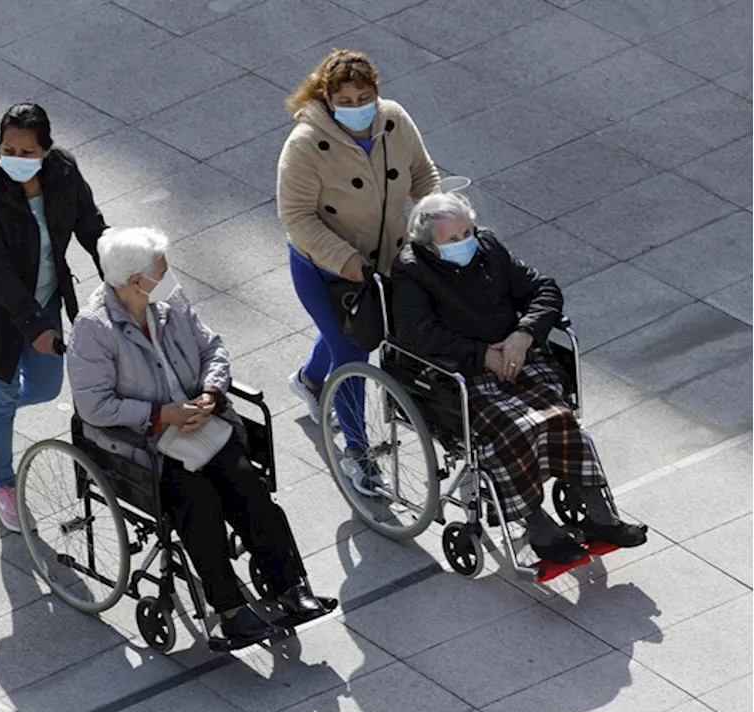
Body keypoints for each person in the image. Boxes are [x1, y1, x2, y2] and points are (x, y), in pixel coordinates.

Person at [66, 227, 337, 644]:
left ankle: (291, 588)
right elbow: (93, 406)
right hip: (147, 446)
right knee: (199, 504)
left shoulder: (170, 301)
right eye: (161, 269)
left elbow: (214, 349)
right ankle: (230, 610)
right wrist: (160, 415)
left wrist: (211, 393)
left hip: (203, 425)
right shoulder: (94, 330)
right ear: (136, 281)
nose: (169, 275)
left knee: (249, 489)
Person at [391, 194, 648, 562]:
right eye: (453, 238)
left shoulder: (489, 247)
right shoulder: (412, 271)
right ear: (430, 244)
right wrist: (483, 354)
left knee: (559, 416)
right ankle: (535, 524)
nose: (465, 241)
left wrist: (524, 334)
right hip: (460, 371)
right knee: (512, 427)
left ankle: (599, 513)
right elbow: (418, 333)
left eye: (468, 231)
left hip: (518, 356)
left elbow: (544, 289)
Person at [277, 49, 440, 493]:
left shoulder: (394, 121)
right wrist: (344, 260)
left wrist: (437, 219)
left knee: (345, 329)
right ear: (328, 98)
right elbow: (296, 216)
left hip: (384, 257)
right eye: (344, 100)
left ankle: (310, 381)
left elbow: (422, 175)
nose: (355, 106)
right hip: (325, 268)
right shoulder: (305, 145)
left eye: (363, 97)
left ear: (376, 93)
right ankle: (357, 453)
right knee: (353, 349)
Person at [0, 102, 108, 532]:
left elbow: (91, 227)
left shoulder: (64, 172)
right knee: (3, 397)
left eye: (27, 152)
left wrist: (124, 269)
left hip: (45, 301)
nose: (16, 159)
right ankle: (3, 485)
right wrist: (34, 326)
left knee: (44, 386)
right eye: (8, 149)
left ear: (47, 150)